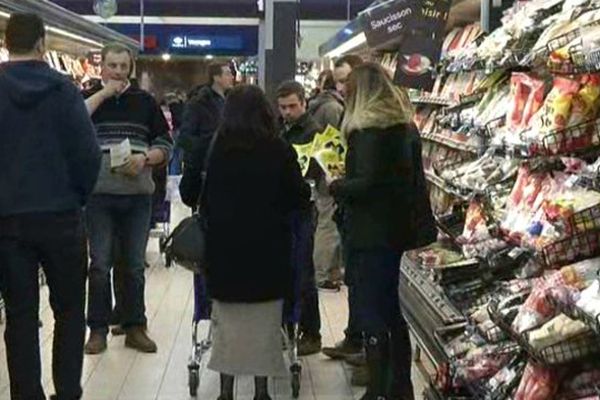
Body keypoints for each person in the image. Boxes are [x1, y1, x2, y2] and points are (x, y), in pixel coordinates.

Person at [184, 85, 310, 400]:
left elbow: (198, 197)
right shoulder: (278, 149)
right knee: (265, 325)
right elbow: (299, 197)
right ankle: (261, 390)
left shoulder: (215, 149)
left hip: (224, 252)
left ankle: (226, 390)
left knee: (225, 322)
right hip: (268, 252)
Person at [0, 13, 101, 399]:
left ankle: (26, 393)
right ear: (42, 44)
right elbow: (87, 154)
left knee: (20, 316)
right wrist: (76, 196)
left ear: (8, 43)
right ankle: (67, 391)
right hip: (61, 217)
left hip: (7, 222)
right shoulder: (64, 90)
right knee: (70, 311)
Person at [330, 63, 436, 400]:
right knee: (391, 310)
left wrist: (336, 184)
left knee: (374, 310)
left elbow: (367, 185)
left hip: (370, 233)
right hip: (397, 231)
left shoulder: (368, 132)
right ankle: (399, 385)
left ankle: (379, 388)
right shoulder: (405, 128)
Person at [83, 43, 173, 355]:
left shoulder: (145, 102)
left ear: (131, 68)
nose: (119, 72)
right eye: (113, 66)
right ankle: (97, 329)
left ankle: (135, 325)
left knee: (134, 265)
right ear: (102, 67)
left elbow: (165, 142)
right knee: (99, 264)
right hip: (98, 195)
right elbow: (73, 122)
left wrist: (147, 158)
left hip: (137, 196)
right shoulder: (89, 98)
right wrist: (104, 93)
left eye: (124, 66)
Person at [322, 54, 366, 367]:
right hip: (350, 212)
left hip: (367, 215)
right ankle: (354, 338)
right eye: (338, 80)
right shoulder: (346, 113)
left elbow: (370, 178)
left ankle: (366, 350)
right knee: (355, 281)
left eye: (346, 79)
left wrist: (338, 184)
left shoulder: (370, 122)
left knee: (367, 284)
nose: (341, 86)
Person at [277, 80, 324, 356]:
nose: (287, 112)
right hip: (280, 208)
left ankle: (311, 331)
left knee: (304, 271)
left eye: (292, 106)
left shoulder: (314, 132)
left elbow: (320, 172)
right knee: (285, 269)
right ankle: (286, 325)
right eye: (283, 107)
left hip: (303, 208)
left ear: (304, 103)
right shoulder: (278, 128)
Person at [307, 69, 345, 291]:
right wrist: (336, 177)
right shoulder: (333, 108)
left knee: (326, 221)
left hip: (321, 173)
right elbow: (333, 144)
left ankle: (329, 270)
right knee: (328, 224)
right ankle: (321, 274)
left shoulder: (318, 105)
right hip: (329, 174)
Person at [178, 62, 234, 208]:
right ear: (216, 77)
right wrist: (207, 145)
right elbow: (186, 137)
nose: (231, 77)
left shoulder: (231, 102)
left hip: (228, 168)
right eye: (227, 73)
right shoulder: (199, 103)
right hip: (204, 169)